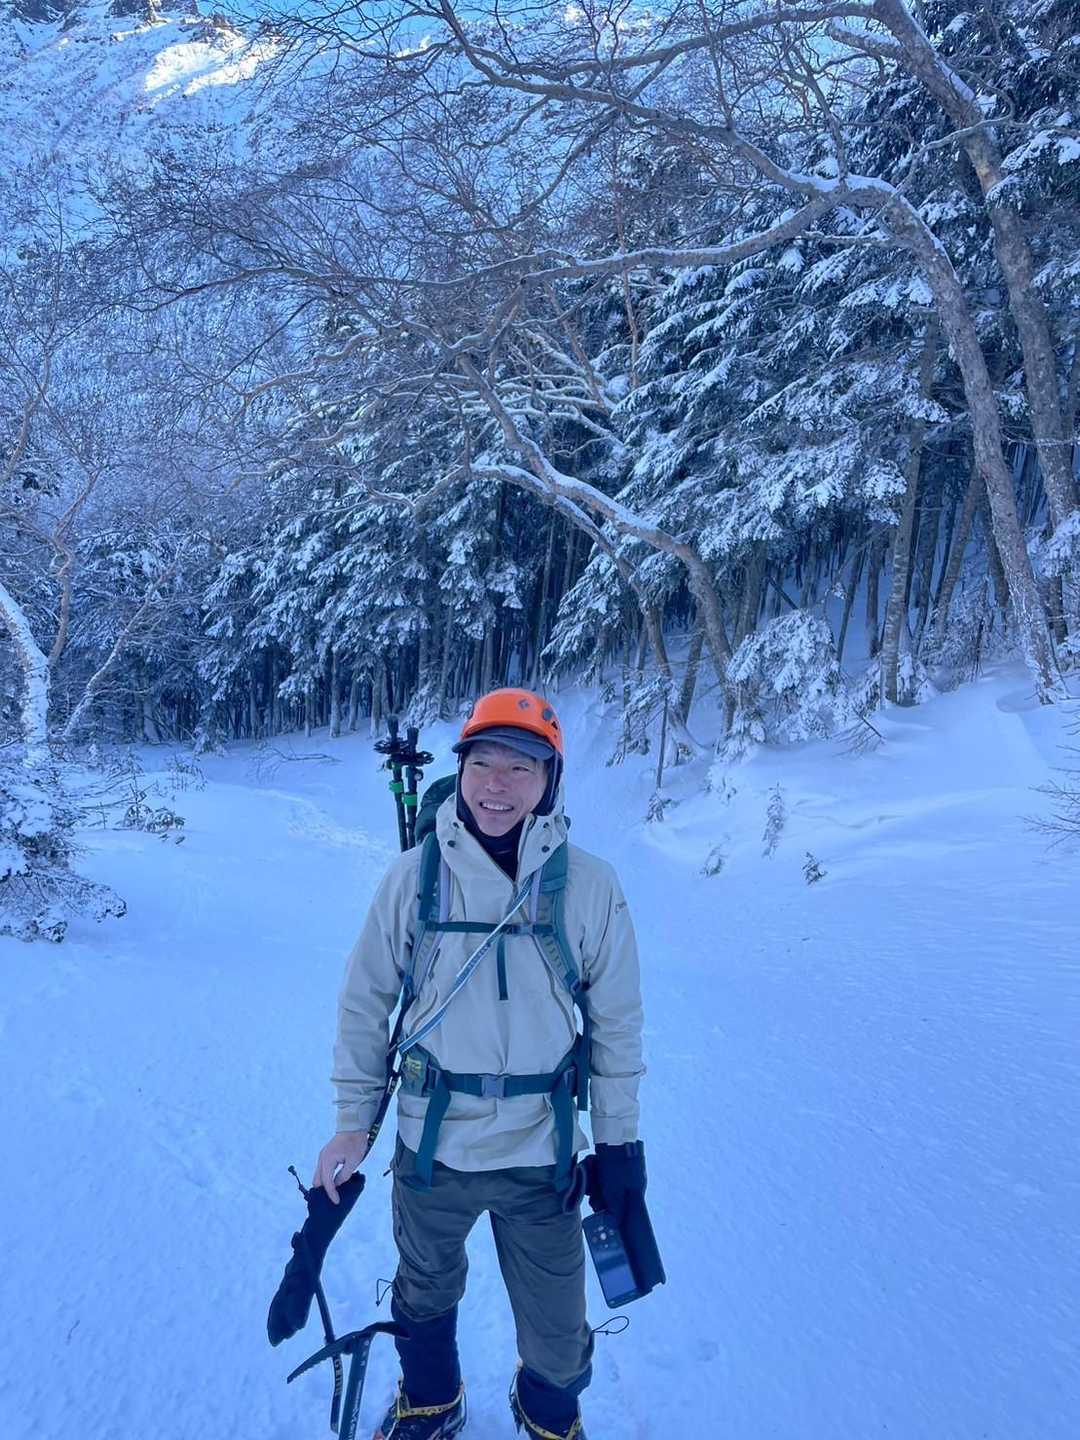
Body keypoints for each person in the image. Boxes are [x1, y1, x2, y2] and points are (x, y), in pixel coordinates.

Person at [313, 688, 646, 1440]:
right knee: (423, 1294)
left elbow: (618, 1026)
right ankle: (432, 1403)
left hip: (542, 1150)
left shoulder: (590, 885)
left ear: (550, 781)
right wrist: (352, 1124)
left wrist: (620, 1146)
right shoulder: (412, 877)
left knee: (558, 1327)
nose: (498, 785)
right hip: (433, 1145)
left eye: (521, 767)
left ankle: (548, 1415)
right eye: (482, 763)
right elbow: (365, 1004)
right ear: (460, 770)